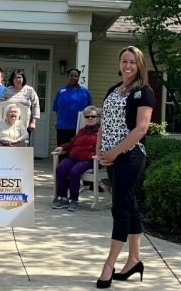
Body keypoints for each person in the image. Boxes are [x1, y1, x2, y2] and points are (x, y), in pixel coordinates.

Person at [95, 46, 155, 288]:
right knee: (129, 206)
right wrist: (100, 150)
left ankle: (109, 264)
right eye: (124, 61)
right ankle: (134, 260)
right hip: (110, 155)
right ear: (119, 64)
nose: (128, 66)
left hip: (130, 155)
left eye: (132, 62)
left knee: (120, 208)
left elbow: (141, 129)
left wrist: (114, 152)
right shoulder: (112, 90)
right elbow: (104, 123)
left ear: (139, 65)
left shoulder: (144, 92)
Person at [51, 106, 101, 212]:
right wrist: (62, 147)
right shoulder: (82, 131)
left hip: (88, 160)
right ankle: (63, 198)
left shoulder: (101, 132)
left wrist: (97, 153)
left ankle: (74, 200)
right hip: (72, 157)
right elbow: (72, 144)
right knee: (61, 169)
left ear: (98, 118)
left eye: (93, 116)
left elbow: (104, 147)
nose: (90, 118)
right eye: (87, 116)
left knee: (75, 171)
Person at [53, 68, 92, 146]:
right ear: (68, 77)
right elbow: (56, 109)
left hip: (80, 128)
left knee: (78, 152)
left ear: (78, 77)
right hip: (63, 128)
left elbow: (89, 110)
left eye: (76, 76)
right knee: (62, 152)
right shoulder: (61, 91)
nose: (73, 78)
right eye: (71, 76)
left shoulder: (85, 92)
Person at [0, 69, 40, 135]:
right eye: (15, 77)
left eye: (20, 77)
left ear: (23, 79)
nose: (17, 79)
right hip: (8, 124)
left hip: (25, 124)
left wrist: (33, 122)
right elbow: (0, 105)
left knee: (23, 143)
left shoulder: (29, 90)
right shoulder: (7, 90)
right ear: (12, 79)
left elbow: (36, 105)